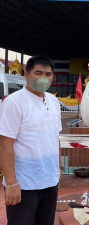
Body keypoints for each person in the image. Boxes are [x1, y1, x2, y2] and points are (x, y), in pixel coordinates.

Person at [0, 55, 62, 225]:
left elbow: (55, 136)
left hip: (49, 182)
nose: (44, 78)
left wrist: (58, 167)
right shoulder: (14, 103)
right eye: (38, 73)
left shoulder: (54, 101)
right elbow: (5, 144)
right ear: (26, 75)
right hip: (24, 184)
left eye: (48, 74)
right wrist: (11, 184)